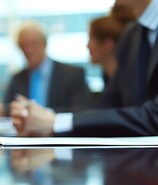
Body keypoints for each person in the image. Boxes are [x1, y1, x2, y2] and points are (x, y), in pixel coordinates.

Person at [11, 0, 158, 137]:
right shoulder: (132, 36)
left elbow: (154, 116)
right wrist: (44, 116)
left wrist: (56, 122)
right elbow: (105, 105)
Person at [0, 21, 90, 118]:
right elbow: (8, 109)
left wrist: (43, 116)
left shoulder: (72, 75)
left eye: (33, 44)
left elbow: (80, 112)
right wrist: (0, 109)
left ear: (44, 43)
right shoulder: (17, 78)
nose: (28, 50)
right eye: (23, 45)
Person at [88, 4, 136, 90]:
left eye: (91, 39)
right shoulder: (108, 77)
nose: (87, 46)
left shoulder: (129, 84)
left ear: (107, 45)